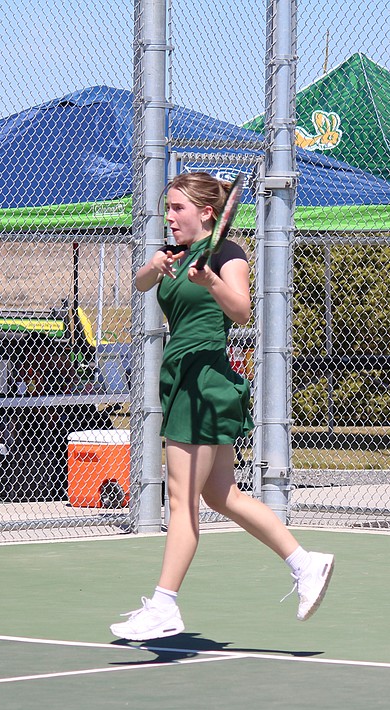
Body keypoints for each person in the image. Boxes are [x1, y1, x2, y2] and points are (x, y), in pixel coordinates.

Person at [110, 172, 334, 641]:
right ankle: (304, 562)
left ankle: (165, 605)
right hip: (181, 381)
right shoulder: (176, 254)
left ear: (207, 213)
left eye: (177, 209)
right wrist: (154, 267)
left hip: (203, 385)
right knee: (221, 495)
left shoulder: (227, 255)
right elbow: (142, 282)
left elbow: (241, 310)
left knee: (181, 503)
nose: (168, 217)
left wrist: (210, 279)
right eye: (166, 209)